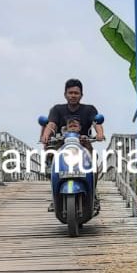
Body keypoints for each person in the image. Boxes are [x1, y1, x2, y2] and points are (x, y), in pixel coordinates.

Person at [40, 78, 105, 211]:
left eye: (76, 93)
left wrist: (99, 134)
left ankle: (93, 194)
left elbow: (96, 123)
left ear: (81, 95)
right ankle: (55, 196)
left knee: (93, 162)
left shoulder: (89, 109)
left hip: (83, 143)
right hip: (62, 144)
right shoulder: (57, 109)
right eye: (70, 93)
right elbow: (51, 124)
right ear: (65, 94)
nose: (73, 95)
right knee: (51, 160)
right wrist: (46, 134)